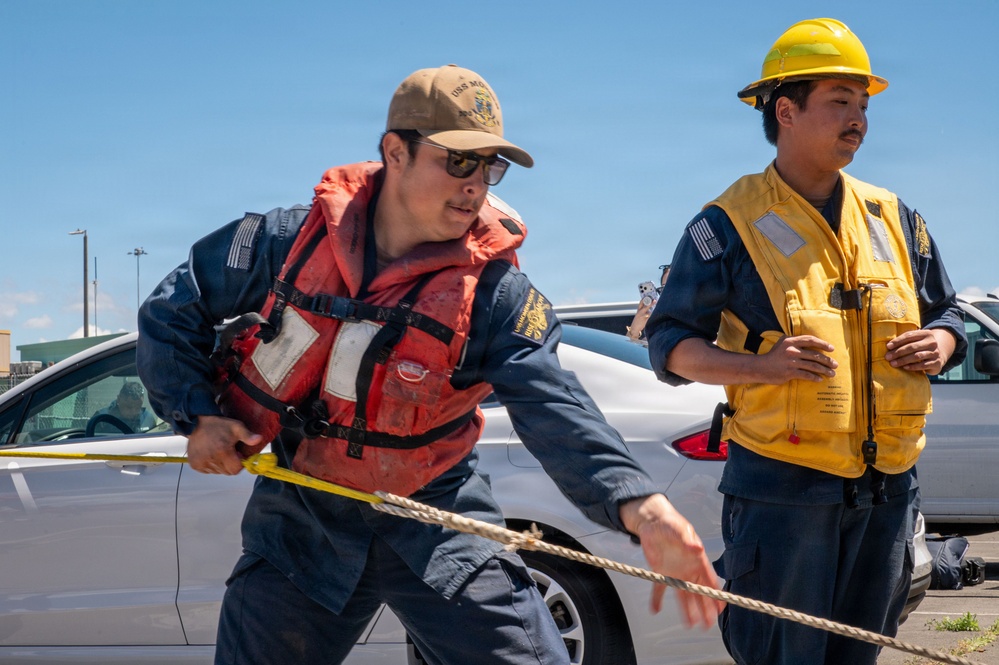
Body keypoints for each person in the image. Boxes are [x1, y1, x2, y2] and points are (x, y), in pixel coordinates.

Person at [137, 64, 721, 665]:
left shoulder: (497, 295)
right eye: (459, 161)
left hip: (436, 518)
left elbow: (556, 406)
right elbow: (170, 311)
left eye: (490, 167)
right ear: (395, 151)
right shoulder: (281, 243)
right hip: (304, 523)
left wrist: (642, 507)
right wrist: (198, 416)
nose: (477, 185)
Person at [645, 19, 966, 665]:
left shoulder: (895, 217)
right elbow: (669, 343)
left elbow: (949, 310)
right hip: (782, 493)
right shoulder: (726, 223)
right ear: (784, 111)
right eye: (838, 102)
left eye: (863, 104)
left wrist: (942, 341)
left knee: (858, 654)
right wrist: (758, 367)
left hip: (887, 490)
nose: (857, 120)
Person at [626, 263, 671, 344]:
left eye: (673, 286)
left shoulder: (698, 327)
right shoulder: (656, 332)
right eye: (663, 289)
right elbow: (624, 354)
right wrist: (634, 331)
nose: (668, 294)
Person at [92, 381, 156, 433]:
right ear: (118, 399)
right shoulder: (101, 420)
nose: (133, 412)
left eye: (138, 408)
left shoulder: (148, 419)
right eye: (129, 407)